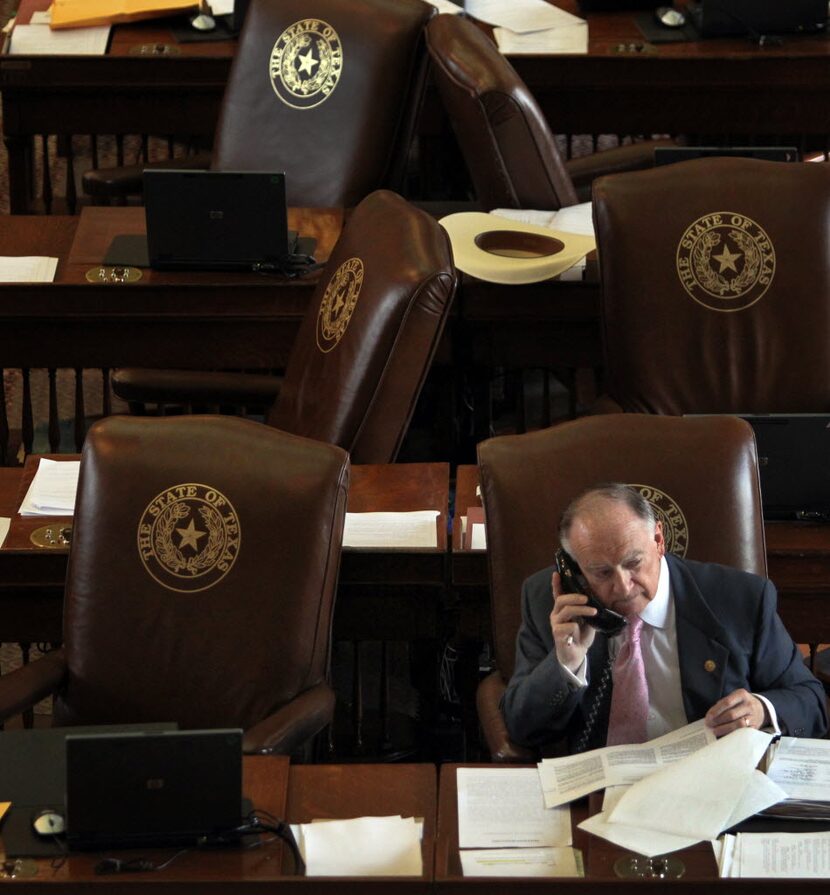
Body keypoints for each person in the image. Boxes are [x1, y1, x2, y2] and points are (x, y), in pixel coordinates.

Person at [502, 483, 828, 753]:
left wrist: (760, 710)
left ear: (659, 540)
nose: (623, 586)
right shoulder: (548, 601)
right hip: (598, 794)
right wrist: (566, 664)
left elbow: (812, 702)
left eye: (633, 563)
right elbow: (521, 728)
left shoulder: (741, 599)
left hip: (709, 785)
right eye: (601, 572)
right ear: (574, 570)